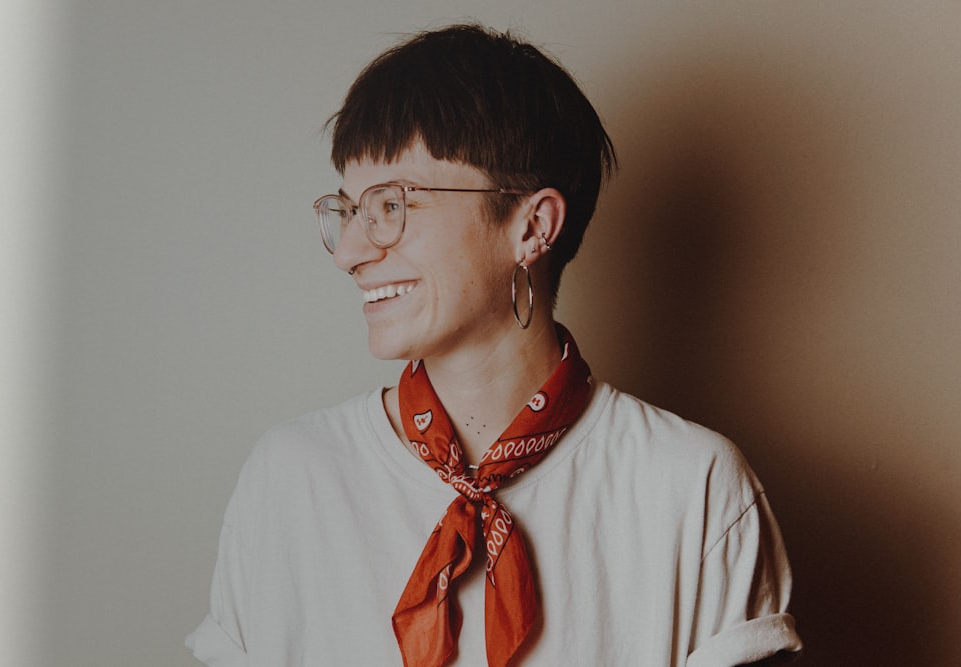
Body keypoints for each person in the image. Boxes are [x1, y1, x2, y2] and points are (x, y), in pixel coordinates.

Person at [187, 23, 802, 667]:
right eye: (347, 210)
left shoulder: (693, 489)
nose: (349, 252)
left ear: (532, 226)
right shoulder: (290, 479)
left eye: (392, 204)